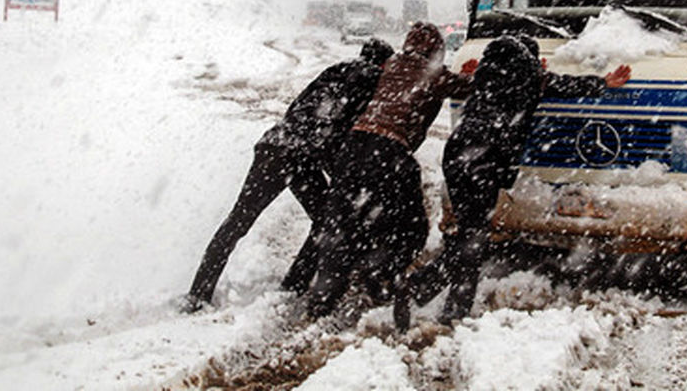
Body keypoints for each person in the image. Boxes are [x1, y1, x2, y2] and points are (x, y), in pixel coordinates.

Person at [395, 34, 630, 329]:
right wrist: (604, 82)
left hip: (459, 153)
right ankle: (434, 298)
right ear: (530, 59)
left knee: (469, 235)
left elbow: (473, 80)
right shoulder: (531, 77)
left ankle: (426, 292)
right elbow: (568, 85)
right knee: (473, 240)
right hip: (486, 158)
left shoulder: (486, 74)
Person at [180, 37, 394, 313]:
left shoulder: (336, 69)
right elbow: (339, 125)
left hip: (277, 144)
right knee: (325, 221)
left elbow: (302, 110)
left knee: (239, 221)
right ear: (383, 62)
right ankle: (293, 286)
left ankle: (198, 293)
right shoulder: (371, 77)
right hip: (304, 155)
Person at [302, 22, 475, 319]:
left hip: (354, 147)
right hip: (390, 153)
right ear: (435, 51)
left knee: (342, 222)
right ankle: (383, 276)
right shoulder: (434, 74)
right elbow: (469, 86)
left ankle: (323, 297)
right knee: (411, 227)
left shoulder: (392, 62)